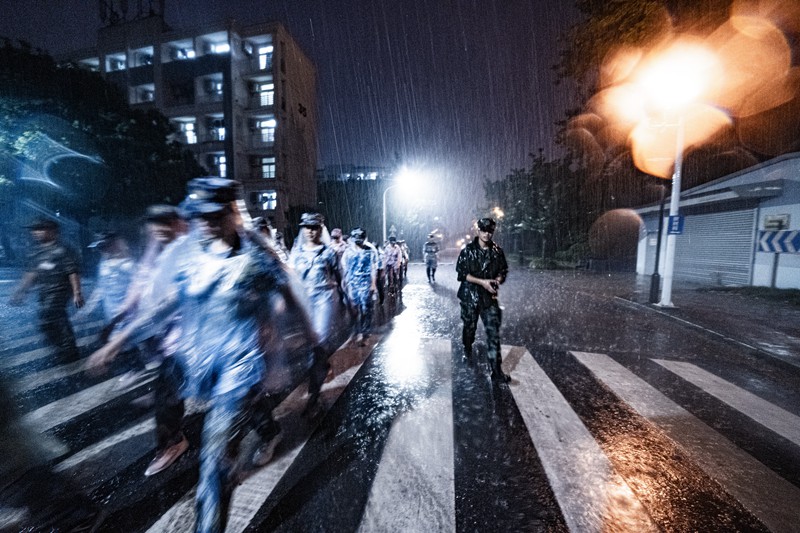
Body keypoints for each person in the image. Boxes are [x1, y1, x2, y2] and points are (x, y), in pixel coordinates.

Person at [89, 178, 291, 532]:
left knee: (213, 458)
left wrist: (275, 344)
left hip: (239, 367)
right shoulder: (190, 257)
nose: (206, 223)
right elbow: (165, 305)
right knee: (218, 429)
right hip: (199, 361)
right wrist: (116, 342)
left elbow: (283, 297)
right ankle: (262, 430)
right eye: (200, 216)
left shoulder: (254, 259)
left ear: (231, 213)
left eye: (214, 215)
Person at [10, 217, 84, 364]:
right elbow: (32, 272)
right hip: (45, 290)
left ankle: (68, 350)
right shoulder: (36, 250)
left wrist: (77, 292)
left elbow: (72, 271)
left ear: (52, 231)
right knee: (51, 320)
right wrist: (21, 291)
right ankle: (66, 348)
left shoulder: (62, 249)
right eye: (34, 230)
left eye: (40, 229)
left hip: (61, 289)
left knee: (49, 316)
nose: (35, 232)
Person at [288, 212, 342, 411]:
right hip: (304, 301)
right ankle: (321, 367)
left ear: (321, 229)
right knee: (308, 347)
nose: (310, 231)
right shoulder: (296, 253)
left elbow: (338, 276)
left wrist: (343, 299)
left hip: (324, 299)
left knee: (318, 343)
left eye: (314, 227)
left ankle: (314, 392)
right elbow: (291, 280)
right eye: (306, 227)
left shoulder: (329, 253)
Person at [456, 217, 510, 382]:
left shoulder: (497, 251)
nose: (487, 234)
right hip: (470, 297)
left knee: (493, 333)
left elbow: (503, 271)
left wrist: (497, 280)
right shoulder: (467, 251)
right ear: (478, 231)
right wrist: (483, 282)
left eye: (490, 231)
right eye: (484, 231)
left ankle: (496, 371)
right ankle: (467, 348)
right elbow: (462, 274)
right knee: (469, 329)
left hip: (489, 298)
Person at [341, 227, 379, 345]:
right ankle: (355, 331)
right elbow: (344, 268)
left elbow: (374, 268)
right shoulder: (348, 252)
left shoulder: (370, 251)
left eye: (360, 238)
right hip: (352, 283)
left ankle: (365, 333)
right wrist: (345, 282)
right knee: (354, 309)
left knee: (365, 308)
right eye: (356, 238)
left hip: (365, 282)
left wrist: (373, 284)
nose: (358, 241)